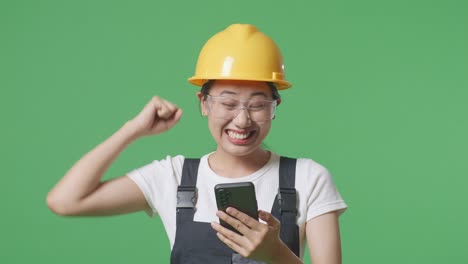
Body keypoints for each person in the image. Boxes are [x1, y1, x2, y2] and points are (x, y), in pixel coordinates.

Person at [47, 24, 348, 264]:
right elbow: (65, 201)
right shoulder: (173, 177)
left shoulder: (308, 178)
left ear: (275, 105)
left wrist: (277, 256)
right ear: (203, 103)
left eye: (258, 105)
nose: (242, 120)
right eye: (227, 103)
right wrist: (132, 130)